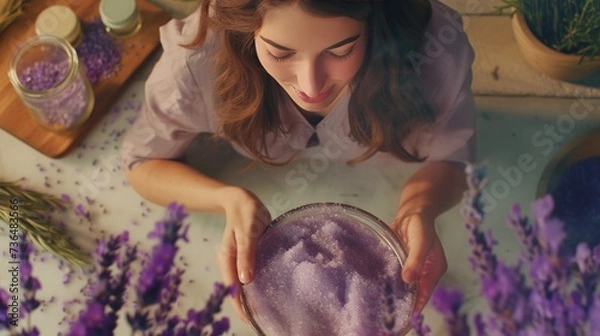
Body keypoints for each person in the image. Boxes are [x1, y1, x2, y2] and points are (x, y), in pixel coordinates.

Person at [120, 0, 476, 326]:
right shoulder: (196, 62)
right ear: (248, 28)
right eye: (280, 52)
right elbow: (142, 163)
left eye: (342, 50)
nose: (311, 85)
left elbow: (453, 156)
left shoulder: (432, 52)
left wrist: (419, 207)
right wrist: (229, 200)